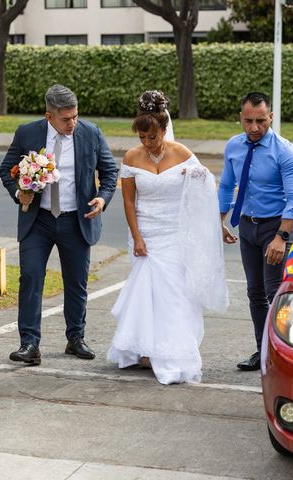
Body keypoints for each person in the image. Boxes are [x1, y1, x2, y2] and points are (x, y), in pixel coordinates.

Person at [108, 91, 228, 385]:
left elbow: (204, 190)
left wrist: (200, 182)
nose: (147, 144)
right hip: (147, 233)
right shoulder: (131, 157)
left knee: (175, 295)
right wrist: (137, 237)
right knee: (147, 295)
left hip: (175, 234)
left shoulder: (183, 153)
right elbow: (128, 202)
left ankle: (174, 350)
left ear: (164, 129)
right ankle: (146, 350)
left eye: (153, 137)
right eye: (142, 137)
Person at [0, 84, 118, 365]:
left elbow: (110, 171)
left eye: (75, 116)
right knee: (30, 278)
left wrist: (102, 199)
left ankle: (75, 338)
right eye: (66, 119)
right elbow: (6, 169)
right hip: (37, 220)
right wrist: (19, 192)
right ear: (49, 116)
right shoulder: (27, 133)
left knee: (76, 283)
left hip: (76, 220)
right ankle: (29, 344)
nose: (72, 123)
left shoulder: (91, 133)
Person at [219, 92, 293, 372]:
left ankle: (286, 355)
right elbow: (227, 185)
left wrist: (281, 238)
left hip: (274, 228)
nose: (254, 128)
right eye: (248, 121)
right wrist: (220, 220)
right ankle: (263, 351)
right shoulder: (233, 147)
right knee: (254, 292)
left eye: (260, 121)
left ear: (271, 117)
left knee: (275, 293)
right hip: (247, 226)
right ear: (240, 119)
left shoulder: (286, 152)